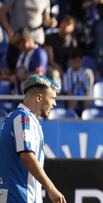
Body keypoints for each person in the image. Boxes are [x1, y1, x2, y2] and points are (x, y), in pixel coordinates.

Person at [0, 74, 66, 203]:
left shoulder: (28, 120)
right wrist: (51, 188)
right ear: (39, 97)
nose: (54, 103)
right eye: (52, 98)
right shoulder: (22, 118)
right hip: (18, 197)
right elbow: (27, 155)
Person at [63, 49, 94, 114]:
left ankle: (86, 116)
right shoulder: (67, 74)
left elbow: (87, 89)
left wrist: (83, 94)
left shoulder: (84, 73)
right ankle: (70, 115)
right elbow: (67, 91)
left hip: (82, 94)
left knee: (86, 98)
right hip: (71, 96)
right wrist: (75, 95)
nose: (76, 64)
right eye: (74, 61)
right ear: (70, 61)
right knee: (73, 98)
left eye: (78, 61)